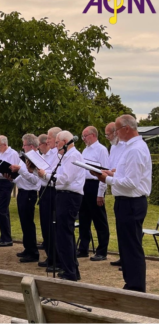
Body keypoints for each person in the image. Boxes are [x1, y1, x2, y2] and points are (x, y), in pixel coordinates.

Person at [94, 115, 152, 293]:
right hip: (127, 201)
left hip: (131, 202)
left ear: (126, 128)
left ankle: (135, 287)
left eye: (117, 130)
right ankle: (131, 283)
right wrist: (112, 172)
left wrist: (107, 178)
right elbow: (127, 174)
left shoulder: (135, 149)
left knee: (131, 247)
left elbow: (131, 183)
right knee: (126, 246)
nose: (116, 134)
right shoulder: (132, 147)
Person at [37, 130, 85, 282]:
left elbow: (65, 179)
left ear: (65, 142)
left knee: (64, 234)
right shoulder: (65, 156)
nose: (56, 145)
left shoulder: (73, 155)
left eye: (57, 142)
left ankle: (70, 271)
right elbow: (59, 174)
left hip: (70, 196)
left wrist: (45, 175)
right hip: (63, 195)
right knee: (63, 234)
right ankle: (70, 268)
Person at [78, 126, 110, 261]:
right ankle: (83, 248)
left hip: (95, 184)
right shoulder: (85, 150)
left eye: (85, 136)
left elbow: (104, 171)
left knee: (99, 219)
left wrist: (100, 193)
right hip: (85, 185)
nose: (83, 139)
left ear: (92, 135)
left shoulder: (101, 149)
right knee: (84, 219)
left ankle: (102, 250)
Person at [9, 134, 42, 263]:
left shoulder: (37, 159)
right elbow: (23, 177)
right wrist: (13, 177)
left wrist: (21, 170)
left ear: (32, 146)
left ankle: (33, 252)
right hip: (22, 191)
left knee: (28, 222)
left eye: (24, 145)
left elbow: (35, 180)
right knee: (24, 222)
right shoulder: (25, 158)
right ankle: (27, 248)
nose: (23, 147)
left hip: (30, 193)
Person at [35, 128, 61, 270]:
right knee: (46, 226)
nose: (47, 141)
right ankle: (50, 256)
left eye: (49, 138)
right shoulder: (47, 154)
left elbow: (52, 173)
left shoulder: (57, 154)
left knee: (53, 227)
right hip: (44, 190)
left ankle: (56, 259)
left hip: (53, 191)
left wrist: (43, 173)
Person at [104, 121, 126, 268]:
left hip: (125, 189)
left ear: (116, 132)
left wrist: (114, 172)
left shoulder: (126, 146)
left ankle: (127, 260)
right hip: (117, 189)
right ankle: (122, 255)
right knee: (120, 228)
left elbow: (124, 168)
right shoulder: (113, 147)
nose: (107, 137)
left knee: (127, 230)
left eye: (108, 134)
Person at [0, 135, 20, 247]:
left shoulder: (12, 153)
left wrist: (1, 172)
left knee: (2, 209)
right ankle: (3, 235)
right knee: (1, 210)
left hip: (6, 182)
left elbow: (13, 169)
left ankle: (7, 238)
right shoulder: (1, 153)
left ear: (5, 144)